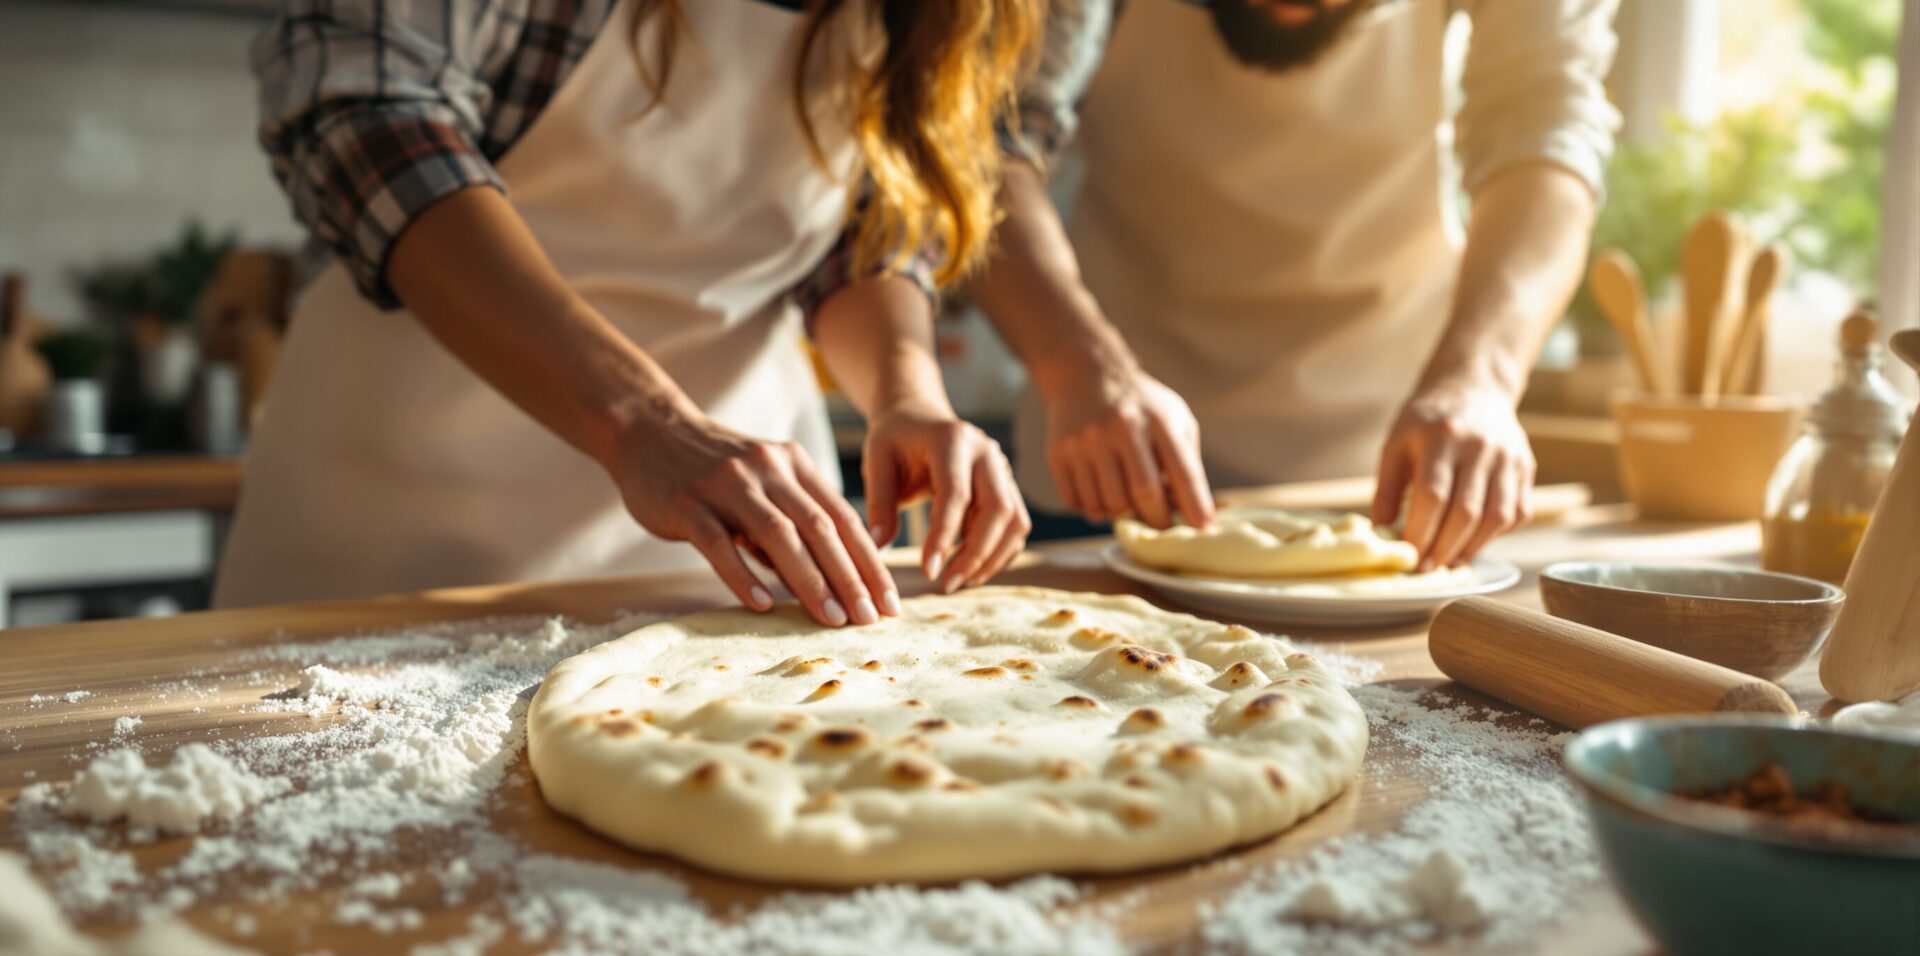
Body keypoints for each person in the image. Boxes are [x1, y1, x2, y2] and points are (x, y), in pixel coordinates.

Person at [216, 0, 1042, 623]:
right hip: (385, 535)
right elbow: (366, 110)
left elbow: (871, 236)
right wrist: (644, 422)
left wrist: (909, 396)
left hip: (724, 556)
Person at [971, 0, 1618, 569]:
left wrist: (1481, 379)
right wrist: (1078, 365)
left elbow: (1546, 126)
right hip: (1104, 459)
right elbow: (982, 152)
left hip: (1385, 480)